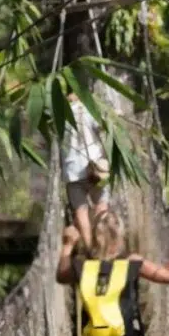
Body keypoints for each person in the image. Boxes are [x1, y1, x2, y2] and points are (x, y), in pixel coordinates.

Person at [60, 92, 110, 250]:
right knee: (101, 207)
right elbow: (103, 126)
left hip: (72, 172)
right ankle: (103, 246)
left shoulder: (58, 113)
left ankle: (90, 250)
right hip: (95, 169)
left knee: (81, 214)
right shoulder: (89, 109)